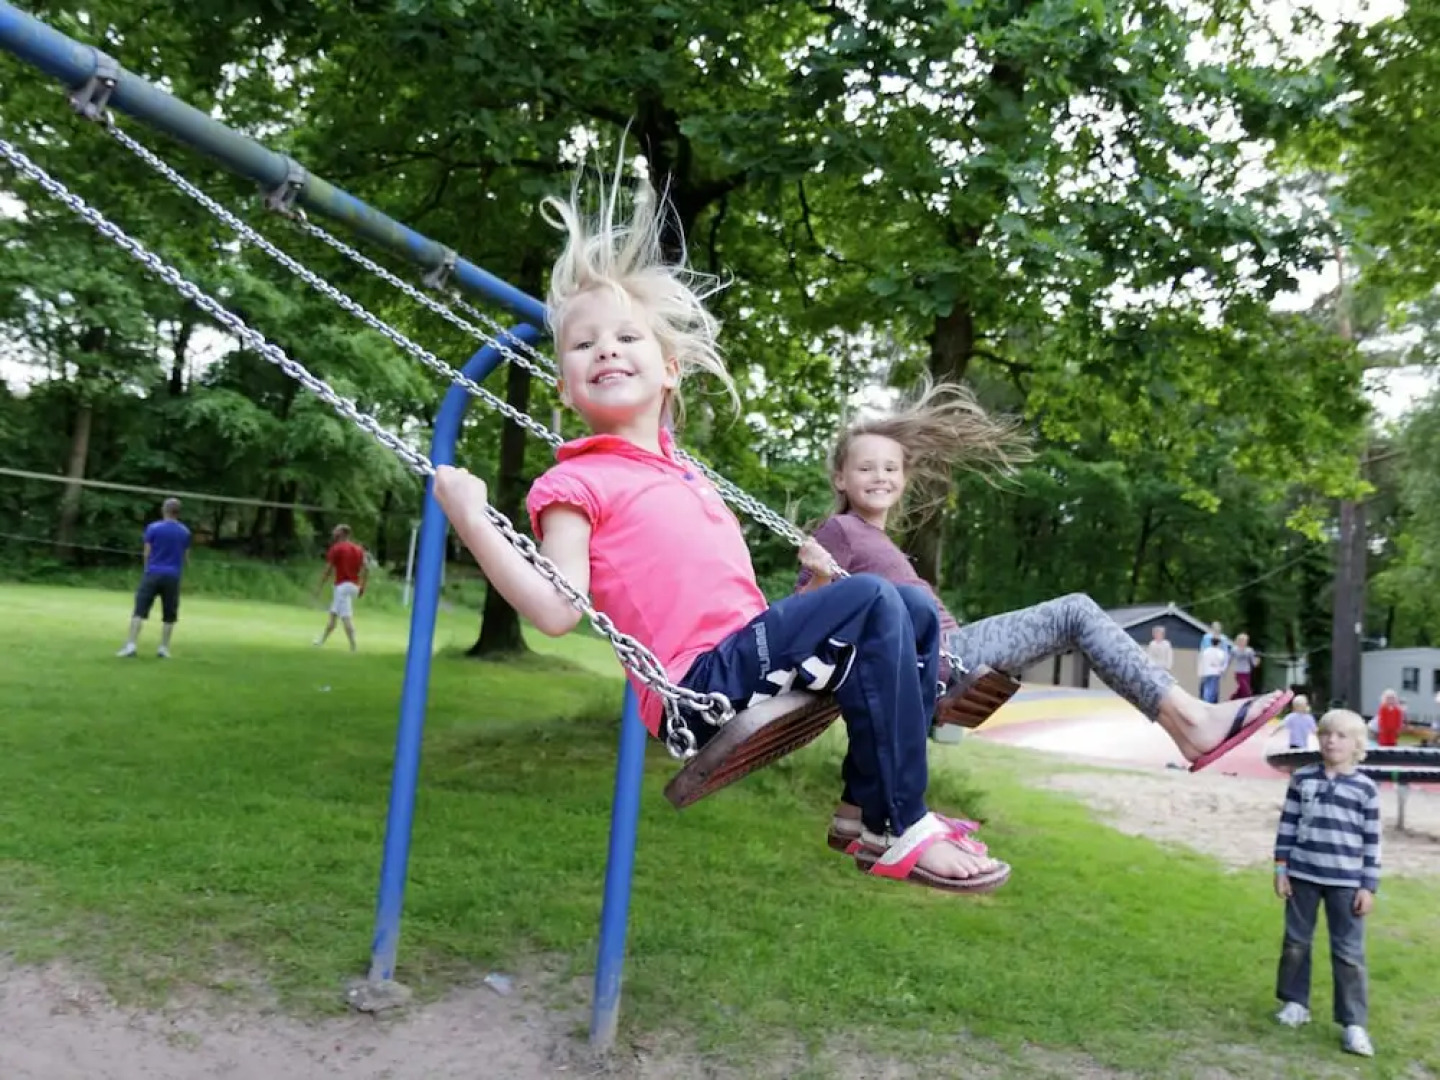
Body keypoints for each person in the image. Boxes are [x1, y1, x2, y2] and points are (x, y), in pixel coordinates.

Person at [430, 158, 1289, 895]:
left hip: (740, 654)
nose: (606, 350)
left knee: (908, 613)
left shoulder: (681, 471)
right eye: (583, 347)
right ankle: (900, 821)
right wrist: (475, 518)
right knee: (881, 601)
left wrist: (807, 591)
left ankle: (860, 808)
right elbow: (554, 610)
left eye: (627, 338)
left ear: (670, 369)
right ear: (564, 385)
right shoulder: (572, 479)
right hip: (695, 690)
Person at [796, 385, 1294, 847]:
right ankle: (1192, 719)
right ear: (840, 477)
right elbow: (797, 618)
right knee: (1073, 613)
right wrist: (817, 577)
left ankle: (853, 814)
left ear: (904, 478)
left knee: (1072, 618)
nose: (880, 476)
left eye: (890, 467)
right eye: (865, 468)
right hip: (944, 657)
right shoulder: (839, 530)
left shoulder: (879, 541)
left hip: (937, 655)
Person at [1273, 708, 1380, 1058]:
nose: (1331, 740)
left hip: (1346, 883)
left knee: (1349, 954)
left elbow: (1372, 840)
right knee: (1295, 943)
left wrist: (1368, 885)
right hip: (1303, 876)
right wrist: (1281, 869)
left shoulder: (1366, 789)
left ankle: (1353, 1024)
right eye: (1325, 734)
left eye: (1341, 736)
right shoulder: (1303, 779)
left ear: (1357, 744)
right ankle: (1295, 1003)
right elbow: (1287, 825)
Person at [116, 496, 191, 659]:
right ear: (178, 513)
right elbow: (186, 557)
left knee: (139, 611)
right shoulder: (185, 532)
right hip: (172, 576)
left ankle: (131, 645)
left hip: (153, 573)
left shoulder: (153, 528)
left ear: (164, 510)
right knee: (169, 614)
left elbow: (147, 553)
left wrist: (147, 569)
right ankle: (163, 648)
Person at [315, 524, 368, 652]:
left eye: (336, 530)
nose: (334, 532)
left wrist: (320, 586)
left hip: (342, 587)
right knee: (333, 614)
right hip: (353, 586)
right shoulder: (359, 549)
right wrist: (362, 586)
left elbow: (328, 569)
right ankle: (321, 640)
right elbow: (366, 569)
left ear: (342, 534)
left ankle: (353, 646)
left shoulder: (336, 549)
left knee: (346, 617)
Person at [1198, 638, 1229, 704]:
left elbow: (1202, 661)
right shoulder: (1220, 652)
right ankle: (1209, 701)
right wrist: (1222, 670)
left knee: (1207, 687)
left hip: (1206, 671)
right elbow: (1222, 661)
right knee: (1213, 688)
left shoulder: (1206, 651)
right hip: (1215, 672)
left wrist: (1201, 671)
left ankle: (1205, 700)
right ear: (1218, 643)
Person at [1230, 632, 1260, 699]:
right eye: (1242, 640)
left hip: (1247, 673)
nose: (1244, 642)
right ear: (1239, 641)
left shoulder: (1249, 651)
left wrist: (1257, 661)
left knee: (1241, 691)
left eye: (1245, 641)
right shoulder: (1234, 650)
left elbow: (1254, 663)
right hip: (1238, 673)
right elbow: (1229, 660)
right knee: (1247, 692)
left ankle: (1232, 699)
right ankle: (1246, 701)